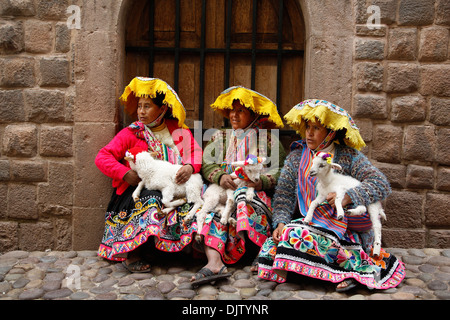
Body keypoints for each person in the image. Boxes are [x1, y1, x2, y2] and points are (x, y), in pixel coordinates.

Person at [257, 99, 405, 291]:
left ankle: (353, 273)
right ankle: (322, 271)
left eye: (316, 128)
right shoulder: (296, 157)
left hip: (346, 228)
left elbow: (380, 184)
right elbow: (284, 195)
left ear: (330, 132)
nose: (309, 133)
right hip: (312, 223)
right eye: (307, 127)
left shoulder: (348, 156)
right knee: (271, 247)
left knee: (295, 237)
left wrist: (347, 197)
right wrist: (281, 222)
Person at [95, 77, 203, 272]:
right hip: (139, 190)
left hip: (173, 186)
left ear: (162, 109)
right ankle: (133, 253)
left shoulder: (178, 131)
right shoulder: (131, 133)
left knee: (197, 196)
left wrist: (189, 167)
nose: (141, 111)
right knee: (152, 198)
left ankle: (182, 252)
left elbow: (194, 153)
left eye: (147, 106)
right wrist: (124, 172)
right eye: (139, 106)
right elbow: (103, 157)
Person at [191, 86, 286, 286]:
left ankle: (261, 255)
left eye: (240, 110)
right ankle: (214, 263)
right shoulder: (221, 137)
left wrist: (262, 181)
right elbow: (208, 163)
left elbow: (280, 170)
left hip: (255, 193)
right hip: (225, 191)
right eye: (232, 110)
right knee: (212, 211)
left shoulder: (269, 140)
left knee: (244, 200)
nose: (234, 114)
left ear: (253, 114)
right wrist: (220, 176)